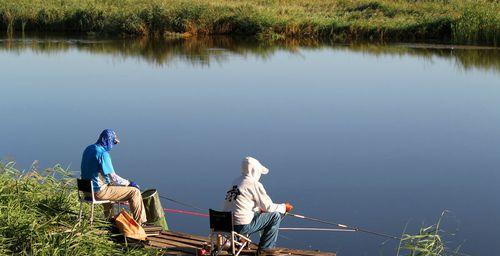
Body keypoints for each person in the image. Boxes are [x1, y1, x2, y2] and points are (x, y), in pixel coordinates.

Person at [223, 156, 293, 255]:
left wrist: (259, 210)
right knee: (275, 216)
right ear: (254, 171)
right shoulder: (253, 184)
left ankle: (240, 241)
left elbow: (241, 204)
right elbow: (268, 207)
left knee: (256, 213)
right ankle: (265, 249)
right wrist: (284, 207)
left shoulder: (236, 182)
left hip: (225, 225)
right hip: (241, 226)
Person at [80, 129, 147, 224]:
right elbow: (114, 178)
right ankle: (140, 223)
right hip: (98, 193)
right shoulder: (103, 154)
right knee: (134, 192)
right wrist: (129, 183)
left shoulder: (89, 149)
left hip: (86, 191)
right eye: (113, 142)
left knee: (109, 186)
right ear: (108, 141)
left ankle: (109, 221)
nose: (113, 145)